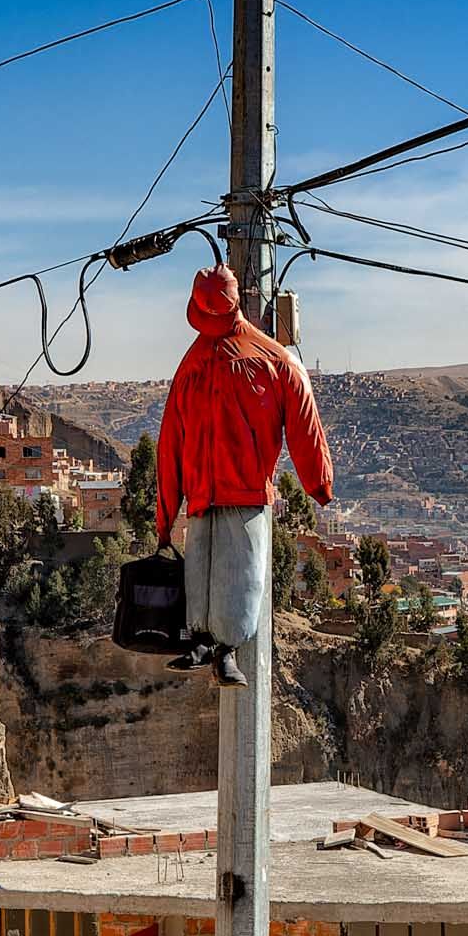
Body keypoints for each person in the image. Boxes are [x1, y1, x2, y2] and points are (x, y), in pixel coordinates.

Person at [154, 263, 333, 687]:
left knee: (217, 566)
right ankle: (214, 647)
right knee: (233, 569)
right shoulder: (274, 359)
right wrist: (318, 483)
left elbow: (168, 446)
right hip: (233, 492)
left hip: (218, 492)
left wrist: (165, 516)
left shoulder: (196, 365)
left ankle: (217, 646)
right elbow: (306, 421)